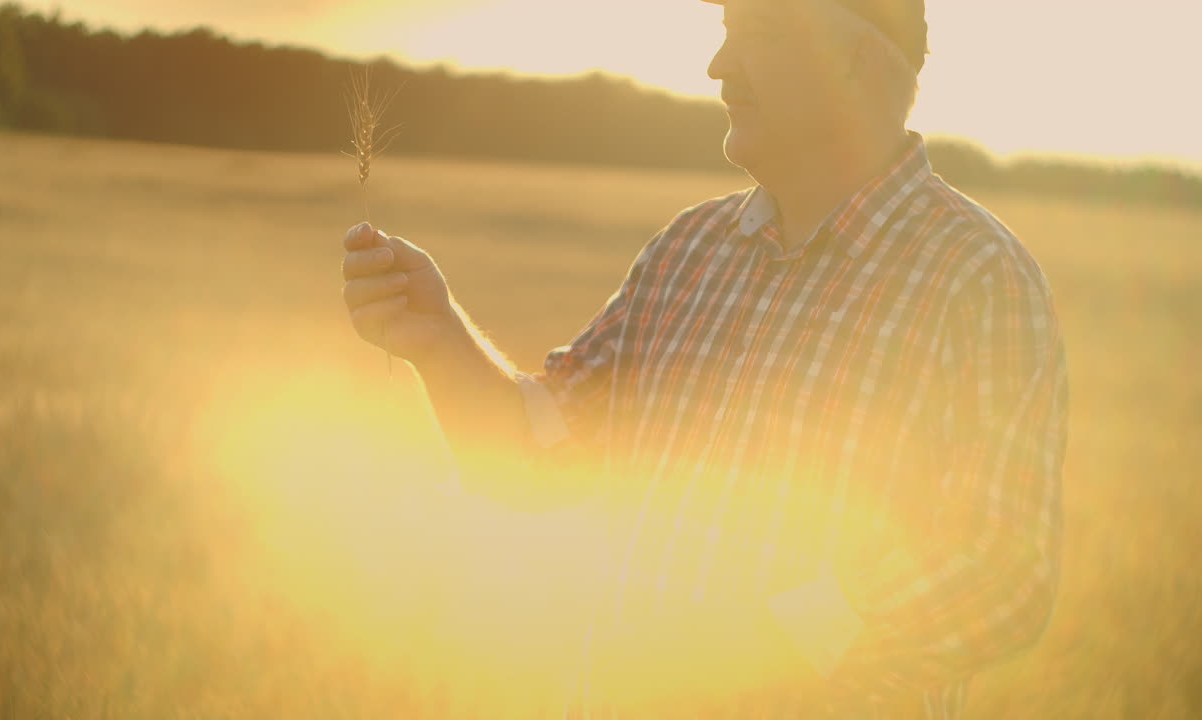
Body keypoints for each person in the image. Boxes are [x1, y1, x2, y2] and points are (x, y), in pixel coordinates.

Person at [339, 0, 1068, 716]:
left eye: (756, 32)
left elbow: (998, 570)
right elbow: (532, 459)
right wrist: (439, 343)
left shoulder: (976, 277)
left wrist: (765, 648)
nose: (718, 65)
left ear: (858, 60)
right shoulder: (689, 249)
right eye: (725, 32)